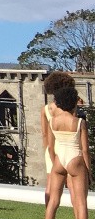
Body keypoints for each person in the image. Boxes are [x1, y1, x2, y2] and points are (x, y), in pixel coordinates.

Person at [43, 85, 89, 219]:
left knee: (53, 200)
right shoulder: (78, 122)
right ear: (73, 102)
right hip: (74, 159)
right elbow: (84, 150)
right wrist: (88, 170)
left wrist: (54, 160)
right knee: (81, 201)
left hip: (58, 160)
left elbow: (50, 146)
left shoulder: (53, 121)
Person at [41, 71, 77, 205]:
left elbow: (45, 134)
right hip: (67, 146)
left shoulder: (45, 109)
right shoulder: (70, 109)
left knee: (50, 184)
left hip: (51, 148)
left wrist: (47, 150)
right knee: (73, 185)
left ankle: (48, 215)